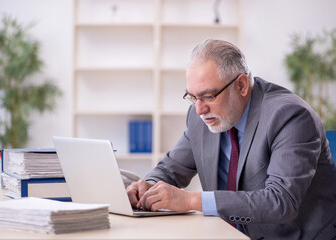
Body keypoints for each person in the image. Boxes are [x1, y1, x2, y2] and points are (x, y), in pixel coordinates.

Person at [126, 39, 336, 240]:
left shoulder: (290, 116)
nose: (199, 109)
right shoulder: (201, 117)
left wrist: (190, 200)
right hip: (229, 234)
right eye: (193, 97)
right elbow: (170, 169)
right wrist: (148, 187)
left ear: (242, 85)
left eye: (209, 96)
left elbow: (281, 201)